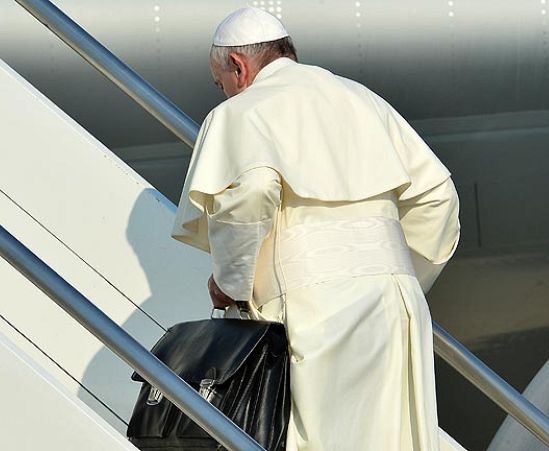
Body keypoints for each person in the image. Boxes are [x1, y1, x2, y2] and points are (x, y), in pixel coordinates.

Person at [172, 7, 463, 451]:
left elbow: (251, 192)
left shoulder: (244, 111)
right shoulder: (361, 98)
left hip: (313, 309)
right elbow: (439, 196)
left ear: (238, 67)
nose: (225, 94)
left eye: (222, 84)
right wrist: (400, 276)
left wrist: (232, 283)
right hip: (394, 308)